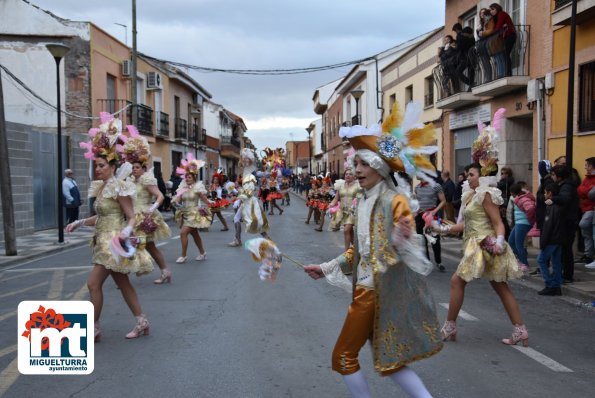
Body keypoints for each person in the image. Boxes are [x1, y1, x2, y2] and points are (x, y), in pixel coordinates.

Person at [303, 101, 442, 398]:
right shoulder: (363, 201)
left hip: (376, 292)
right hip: (365, 287)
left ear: (380, 167)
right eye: (357, 164)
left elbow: (405, 245)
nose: (358, 169)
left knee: (343, 356)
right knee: (390, 361)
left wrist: (402, 236)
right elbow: (359, 251)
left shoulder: (394, 200)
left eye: (365, 164)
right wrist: (327, 267)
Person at [432, 108, 527, 346]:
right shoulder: (472, 195)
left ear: (482, 174)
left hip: (483, 245)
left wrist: (500, 242)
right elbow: (464, 225)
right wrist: (440, 228)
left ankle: (450, 327)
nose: (467, 178)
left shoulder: (485, 193)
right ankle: (520, 330)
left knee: (457, 281)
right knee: (499, 286)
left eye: (471, 174)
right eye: (466, 175)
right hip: (475, 242)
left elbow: (498, 223)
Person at [66, 113, 152, 341]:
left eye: (102, 165)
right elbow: (101, 216)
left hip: (112, 244)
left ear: (112, 166)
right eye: (96, 166)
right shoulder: (103, 188)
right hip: (102, 240)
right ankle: (141, 321)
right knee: (123, 284)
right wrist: (80, 222)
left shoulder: (119, 187)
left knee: (93, 283)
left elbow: (131, 216)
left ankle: (93, 328)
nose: (98, 169)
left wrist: (125, 232)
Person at [121, 131, 173, 285]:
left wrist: (152, 208)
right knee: (141, 245)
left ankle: (163, 271)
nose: (134, 169)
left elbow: (160, 196)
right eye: (133, 167)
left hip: (144, 216)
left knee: (142, 245)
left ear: (143, 168)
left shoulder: (146, 179)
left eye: (137, 167)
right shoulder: (131, 181)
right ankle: (164, 271)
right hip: (133, 217)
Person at [172, 154, 212, 263]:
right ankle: (203, 253)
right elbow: (178, 199)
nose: (187, 179)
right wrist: (175, 202)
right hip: (186, 214)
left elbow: (205, 199)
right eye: (186, 177)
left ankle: (183, 255)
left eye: (189, 177)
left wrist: (212, 203)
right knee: (195, 234)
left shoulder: (197, 187)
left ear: (194, 178)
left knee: (183, 233)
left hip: (194, 214)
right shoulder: (183, 188)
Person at [228, 149, 270, 247]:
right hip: (245, 202)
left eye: (246, 159)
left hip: (249, 203)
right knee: (237, 219)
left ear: (249, 161)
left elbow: (249, 192)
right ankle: (237, 239)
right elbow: (245, 190)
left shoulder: (250, 175)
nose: (243, 161)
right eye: (243, 159)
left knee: (255, 223)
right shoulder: (246, 173)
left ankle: (267, 239)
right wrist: (235, 191)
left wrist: (238, 194)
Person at [549, 165, 580, 283]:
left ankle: (567, 274)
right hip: (567, 220)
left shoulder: (566, 186)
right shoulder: (565, 185)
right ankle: (565, 273)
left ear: (560, 176)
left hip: (567, 221)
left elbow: (565, 199)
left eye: (553, 175)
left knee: (565, 249)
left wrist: (553, 199)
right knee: (564, 248)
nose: (552, 177)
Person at [536, 183, 563, 296]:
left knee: (541, 260)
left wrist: (543, 242)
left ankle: (550, 284)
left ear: (550, 193)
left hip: (551, 239)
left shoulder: (551, 207)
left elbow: (548, 226)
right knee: (556, 262)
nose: (544, 194)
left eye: (545, 192)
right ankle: (556, 286)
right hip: (558, 238)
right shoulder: (558, 206)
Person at [415, 179, 447, 272]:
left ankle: (439, 262)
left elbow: (443, 201)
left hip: (432, 217)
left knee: (435, 240)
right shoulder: (417, 187)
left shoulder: (436, 185)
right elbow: (418, 201)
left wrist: (434, 211)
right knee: (422, 240)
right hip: (420, 217)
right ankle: (426, 262)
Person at [328, 167, 361, 251]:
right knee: (350, 232)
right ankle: (357, 250)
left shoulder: (358, 186)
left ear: (354, 176)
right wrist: (331, 204)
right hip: (343, 211)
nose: (348, 175)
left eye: (350, 174)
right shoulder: (340, 185)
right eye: (346, 174)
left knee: (346, 230)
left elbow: (360, 198)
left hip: (353, 212)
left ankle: (346, 251)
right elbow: (336, 198)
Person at [507, 182, 536, 273]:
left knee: (518, 244)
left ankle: (524, 264)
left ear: (513, 192)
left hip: (523, 223)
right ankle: (520, 261)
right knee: (511, 241)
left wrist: (530, 221)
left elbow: (531, 209)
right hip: (519, 223)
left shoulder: (523, 199)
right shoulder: (519, 198)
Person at [482, 3, 517, 77]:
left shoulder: (501, 14)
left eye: (493, 9)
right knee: (505, 54)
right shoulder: (496, 17)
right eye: (491, 10)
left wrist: (490, 33)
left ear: (497, 8)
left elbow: (498, 26)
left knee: (506, 54)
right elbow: (497, 27)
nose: (491, 11)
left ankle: (508, 73)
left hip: (510, 35)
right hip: (505, 36)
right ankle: (506, 73)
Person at [577, 157, 595, 266]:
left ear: (591, 166)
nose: (585, 167)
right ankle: (588, 255)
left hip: (591, 208)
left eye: (586, 165)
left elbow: (590, 194)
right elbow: (579, 190)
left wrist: (586, 191)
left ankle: (589, 255)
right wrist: (587, 191)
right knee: (586, 233)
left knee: (584, 225)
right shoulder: (587, 178)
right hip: (585, 207)